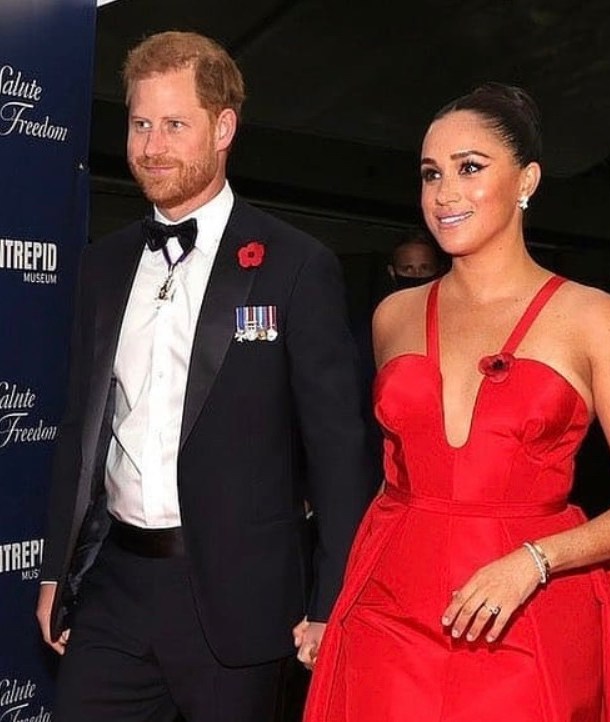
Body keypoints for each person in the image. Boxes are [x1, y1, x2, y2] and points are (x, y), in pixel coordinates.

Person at [299, 83, 610, 721]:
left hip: (525, 611)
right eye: (431, 174)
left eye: (470, 168)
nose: (444, 193)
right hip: (388, 608)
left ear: (527, 180)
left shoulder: (594, 319)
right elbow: (392, 480)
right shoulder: (393, 316)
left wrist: (536, 561)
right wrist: (333, 603)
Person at [36, 31, 373, 722]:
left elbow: (339, 452)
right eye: (139, 124)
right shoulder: (104, 265)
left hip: (241, 600)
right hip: (116, 585)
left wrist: (331, 599)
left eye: (174, 125)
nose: (151, 146)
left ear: (223, 128)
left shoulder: (295, 265)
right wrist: (53, 571)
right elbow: (81, 427)